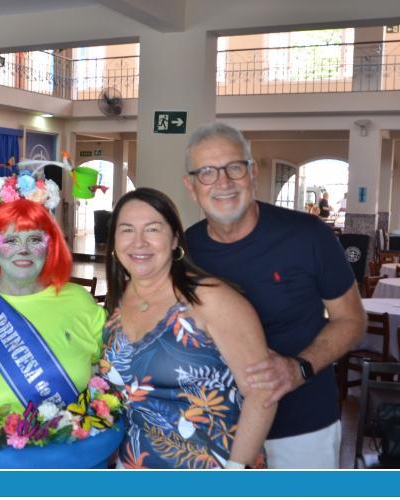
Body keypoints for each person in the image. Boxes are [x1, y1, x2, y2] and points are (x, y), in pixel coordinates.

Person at [183, 122, 365, 468]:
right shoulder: (186, 251)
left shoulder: (307, 234)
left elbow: (352, 320)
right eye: (206, 172)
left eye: (234, 167)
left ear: (252, 173)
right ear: (191, 187)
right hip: (216, 429)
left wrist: (300, 368)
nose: (223, 182)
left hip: (302, 428)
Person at [0, 171, 118, 468]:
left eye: (35, 239)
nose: (24, 250)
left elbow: (115, 366)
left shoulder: (80, 302)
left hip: (68, 467)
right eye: (11, 239)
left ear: (50, 245)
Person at [101, 187, 275, 469]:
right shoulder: (117, 302)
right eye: (127, 230)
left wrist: (238, 470)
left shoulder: (211, 299)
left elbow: (263, 392)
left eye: (152, 229)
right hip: (131, 465)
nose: (139, 242)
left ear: (174, 239)